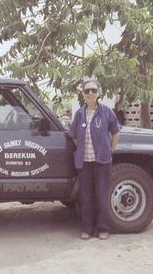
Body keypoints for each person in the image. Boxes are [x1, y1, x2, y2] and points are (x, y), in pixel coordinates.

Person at [68, 79, 121, 240]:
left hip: (102, 161)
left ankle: (103, 228)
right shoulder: (79, 114)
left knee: (101, 195)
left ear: (99, 93)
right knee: (86, 196)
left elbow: (116, 132)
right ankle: (86, 229)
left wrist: (110, 150)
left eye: (93, 90)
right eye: (87, 91)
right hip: (84, 162)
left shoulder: (106, 112)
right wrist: (82, 149)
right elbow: (74, 136)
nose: (90, 93)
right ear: (83, 94)